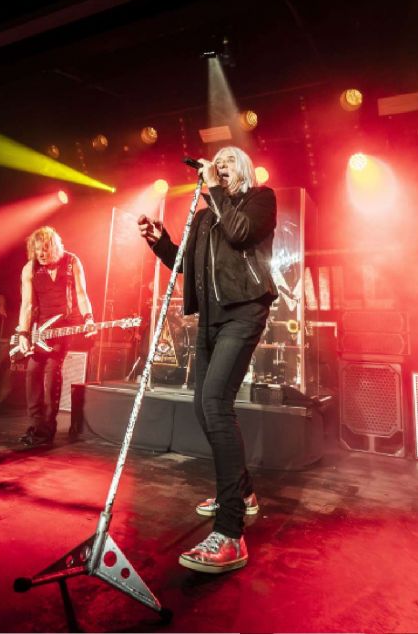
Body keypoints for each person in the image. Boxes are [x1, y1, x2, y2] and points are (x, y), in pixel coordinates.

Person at [137, 146, 277, 574]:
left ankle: (231, 533)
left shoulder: (259, 200)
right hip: (210, 321)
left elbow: (238, 234)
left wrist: (214, 190)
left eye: (227, 161)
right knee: (204, 406)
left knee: (215, 404)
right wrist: (159, 241)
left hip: (244, 310)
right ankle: (243, 492)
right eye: (214, 164)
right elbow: (185, 267)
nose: (218, 167)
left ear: (243, 169)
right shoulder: (203, 216)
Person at [14, 227, 95, 446]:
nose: (41, 253)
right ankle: (36, 425)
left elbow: (81, 293)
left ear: (55, 246)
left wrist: (88, 317)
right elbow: (27, 304)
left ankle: (46, 429)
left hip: (63, 328)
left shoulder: (71, 262)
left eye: (45, 249)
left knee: (51, 372)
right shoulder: (30, 268)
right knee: (32, 372)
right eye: (37, 249)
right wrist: (23, 333)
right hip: (40, 329)